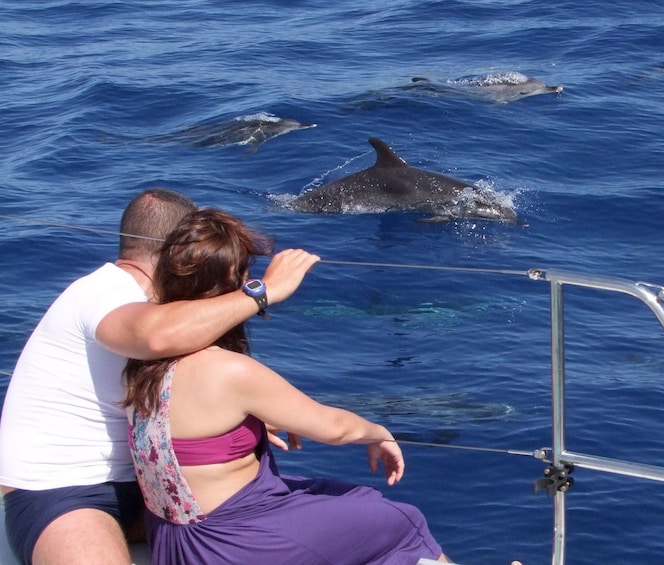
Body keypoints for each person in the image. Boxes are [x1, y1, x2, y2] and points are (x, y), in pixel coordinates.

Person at [0, 189, 320, 565]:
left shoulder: (163, 309)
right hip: (62, 492)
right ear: (175, 248)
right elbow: (156, 335)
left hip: (149, 484)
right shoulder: (103, 293)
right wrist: (263, 292)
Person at [122, 208, 449, 565]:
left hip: (172, 538)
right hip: (226, 543)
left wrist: (250, 425)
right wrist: (379, 433)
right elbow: (334, 428)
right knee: (402, 521)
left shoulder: (139, 363)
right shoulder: (228, 371)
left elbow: (189, 432)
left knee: (335, 493)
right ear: (235, 283)